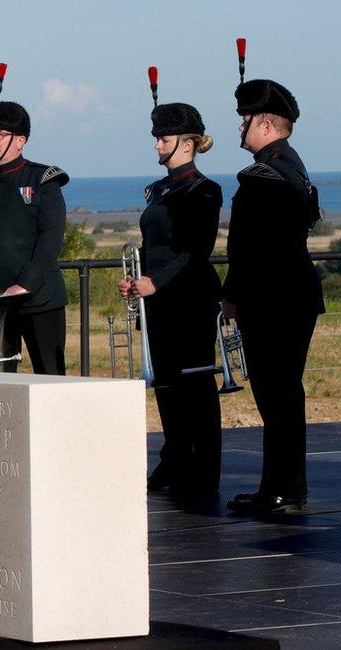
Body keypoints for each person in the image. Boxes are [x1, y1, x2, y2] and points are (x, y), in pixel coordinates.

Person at [224, 41, 324, 515]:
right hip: (293, 295)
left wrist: (232, 296)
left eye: (245, 119)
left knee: (277, 397)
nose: (239, 127)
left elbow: (252, 250)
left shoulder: (264, 176)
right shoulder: (293, 166)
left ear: (264, 123)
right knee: (283, 396)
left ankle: (282, 490)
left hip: (274, 299)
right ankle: (283, 488)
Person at [119, 71, 223, 501]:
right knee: (165, 385)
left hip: (190, 300)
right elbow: (154, 245)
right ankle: (175, 457)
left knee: (195, 385)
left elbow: (194, 251)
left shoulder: (205, 191)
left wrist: (154, 283)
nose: (158, 145)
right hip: (157, 301)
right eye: (157, 137)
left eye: (164, 138)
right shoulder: (158, 190)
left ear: (187, 142)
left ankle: (204, 469)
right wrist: (137, 279)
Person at [0, 63, 69, 374]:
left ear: (21, 140)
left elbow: (49, 240)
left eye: (1, 133)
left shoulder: (44, 178)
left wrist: (24, 284)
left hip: (39, 299)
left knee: (51, 379)